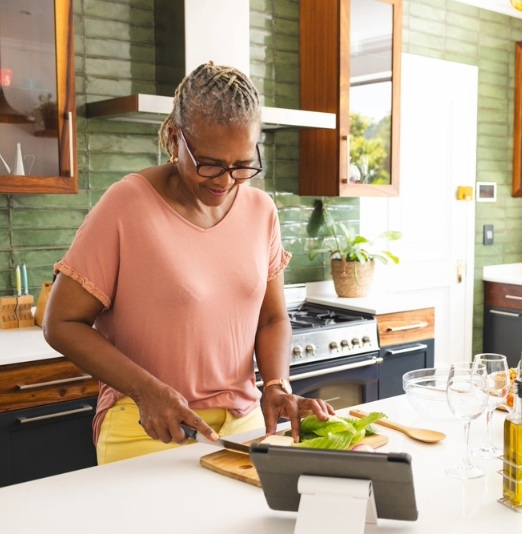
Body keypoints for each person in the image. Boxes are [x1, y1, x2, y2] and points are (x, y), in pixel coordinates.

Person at [42, 62, 334, 464]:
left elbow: (271, 319)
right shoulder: (126, 206)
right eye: (210, 163)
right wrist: (148, 391)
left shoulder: (261, 209)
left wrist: (276, 386)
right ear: (176, 138)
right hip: (149, 428)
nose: (225, 180)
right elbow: (61, 322)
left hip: (244, 427)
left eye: (242, 164)